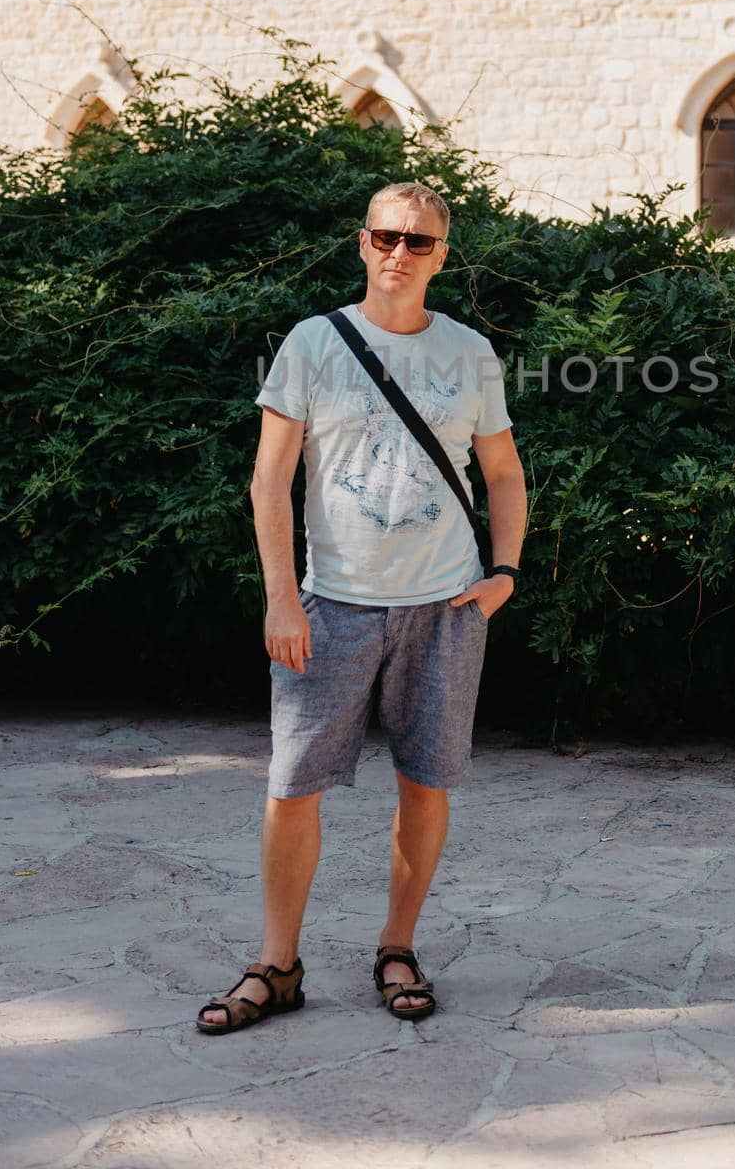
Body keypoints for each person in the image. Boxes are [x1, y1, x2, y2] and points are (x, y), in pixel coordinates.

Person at [197, 180, 527, 1033]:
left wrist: (505, 574)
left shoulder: (470, 354)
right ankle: (276, 964)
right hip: (332, 604)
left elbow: (502, 471)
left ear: (441, 257)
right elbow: (269, 477)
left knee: (424, 784)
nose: (399, 253)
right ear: (361, 243)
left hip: (446, 606)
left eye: (419, 242)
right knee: (291, 786)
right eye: (387, 237)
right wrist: (282, 599)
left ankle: (397, 947)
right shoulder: (313, 343)